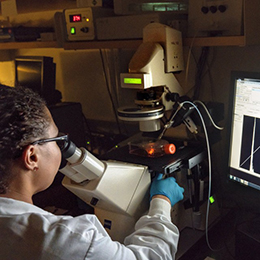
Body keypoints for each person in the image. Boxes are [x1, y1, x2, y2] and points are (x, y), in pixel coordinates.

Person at [0, 85, 184, 260]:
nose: (60, 148)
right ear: (32, 157)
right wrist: (161, 202)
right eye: (58, 140)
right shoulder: (66, 241)